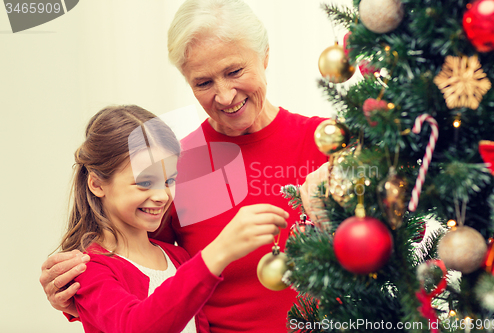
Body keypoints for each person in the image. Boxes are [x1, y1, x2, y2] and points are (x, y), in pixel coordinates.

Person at [40, 1, 329, 332]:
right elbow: (142, 271)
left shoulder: (330, 145)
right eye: (203, 82)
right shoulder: (174, 167)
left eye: (235, 71)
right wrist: (73, 294)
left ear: (264, 56)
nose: (224, 95)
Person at [57, 104, 289, 333]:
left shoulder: (177, 257)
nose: (162, 195)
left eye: (169, 181)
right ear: (97, 185)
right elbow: (135, 326)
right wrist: (219, 251)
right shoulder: (89, 269)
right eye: (145, 182)